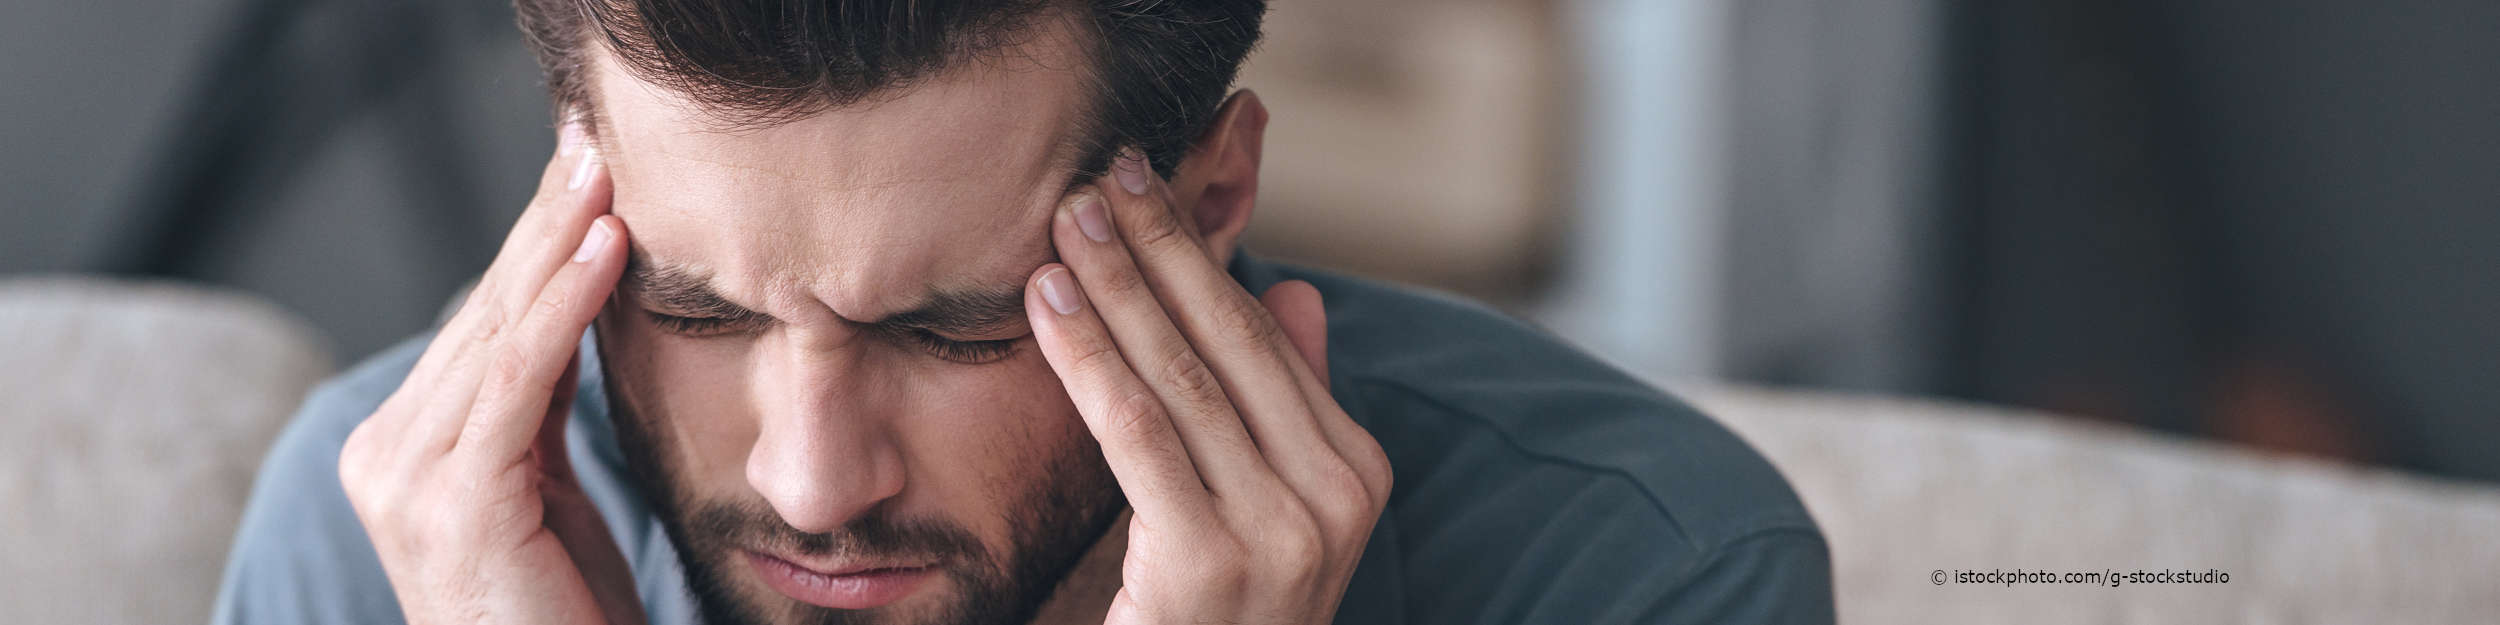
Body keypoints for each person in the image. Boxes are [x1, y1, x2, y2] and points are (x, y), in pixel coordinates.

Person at [210, 1, 1831, 623]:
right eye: (693, 307)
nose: (810, 481)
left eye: (954, 328)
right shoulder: (387, 548)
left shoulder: (1643, 578)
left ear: (1201, 211)